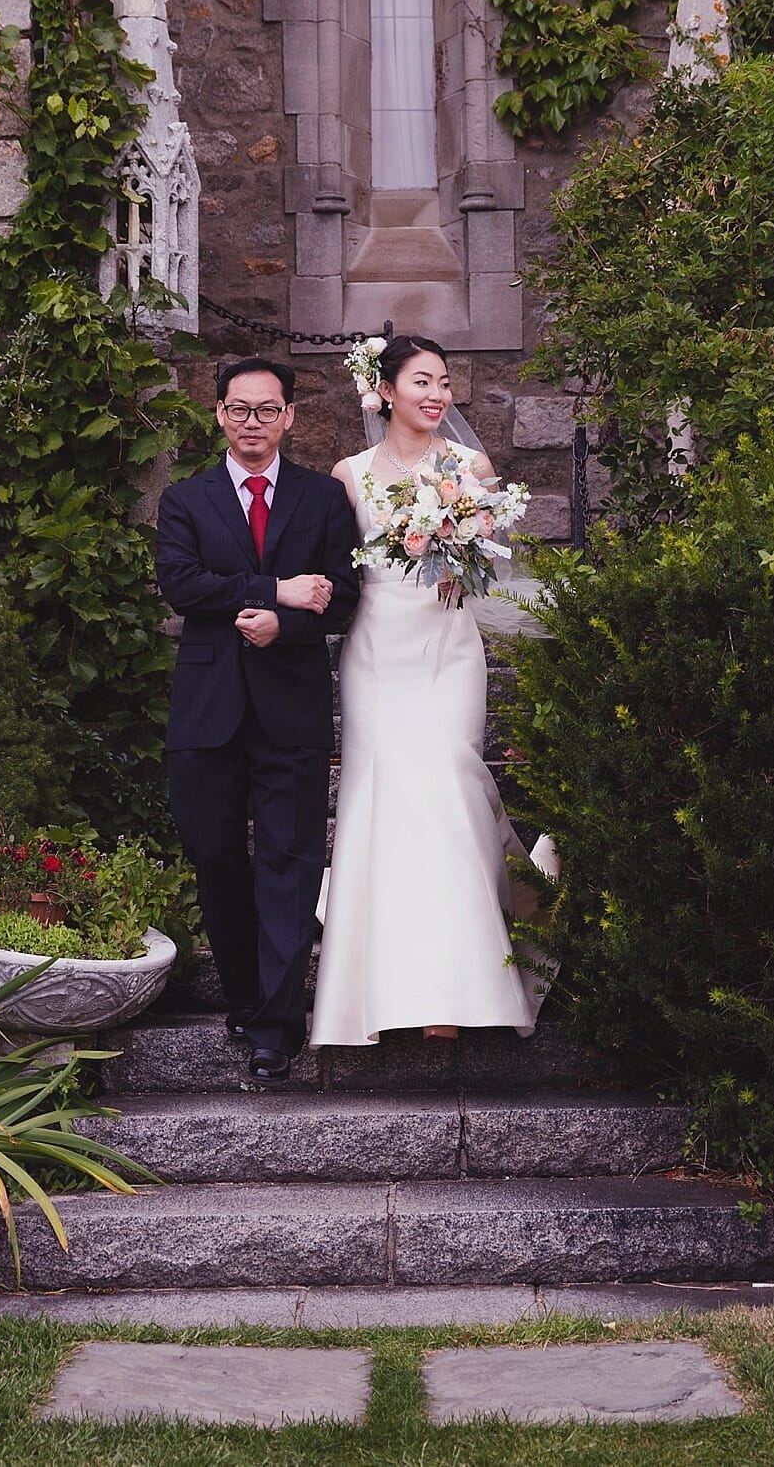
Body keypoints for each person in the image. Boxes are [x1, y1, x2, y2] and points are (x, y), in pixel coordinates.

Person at [310, 334, 550, 1047]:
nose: (437, 394)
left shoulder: (468, 467)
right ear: (384, 390)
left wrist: (457, 550)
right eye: (422, 380)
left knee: (449, 783)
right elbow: (340, 574)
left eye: (445, 381)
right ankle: (377, 991)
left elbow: (490, 561)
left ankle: (458, 985)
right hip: (377, 655)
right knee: (380, 798)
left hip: (447, 649)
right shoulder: (348, 475)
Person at [156, 357, 360, 1083]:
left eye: (266, 410)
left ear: (289, 417)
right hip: (207, 713)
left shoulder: (323, 500)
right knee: (216, 858)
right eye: (240, 410)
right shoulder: (186, 500)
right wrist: (274, 590)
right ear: (218, 414)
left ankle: (277, 1023)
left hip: (291, 706)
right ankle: (245, 999)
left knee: (289, 861)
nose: (252, 423)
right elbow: (181, 583)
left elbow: (342, 597)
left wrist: (288, 627)